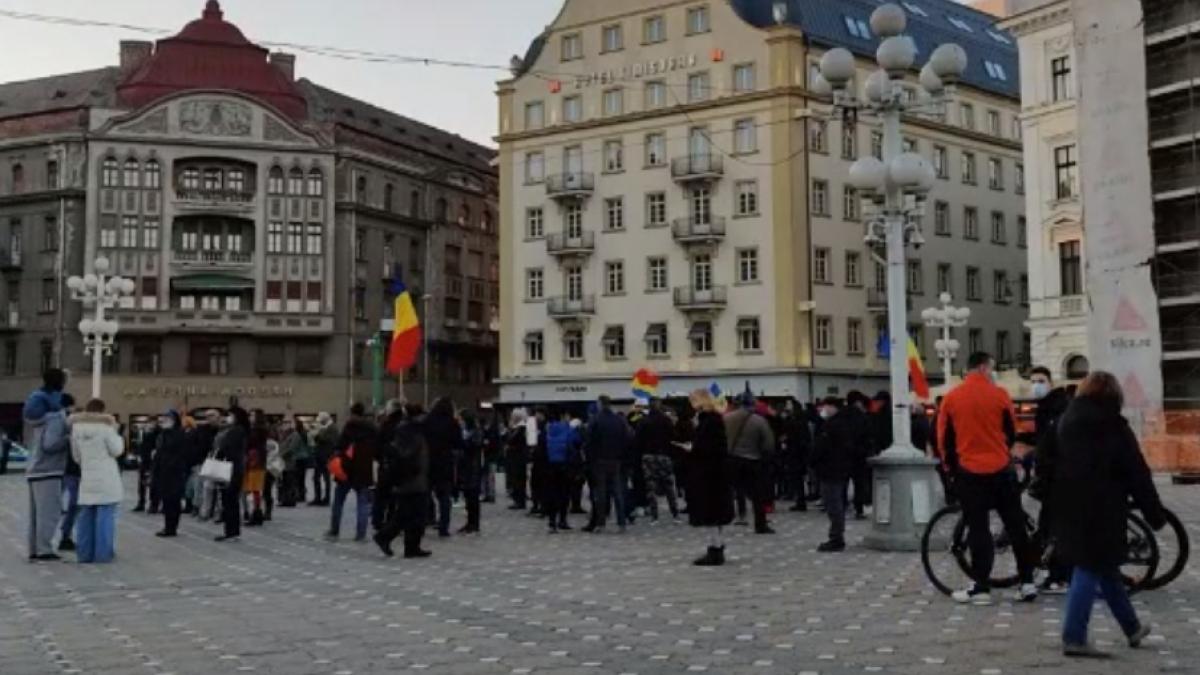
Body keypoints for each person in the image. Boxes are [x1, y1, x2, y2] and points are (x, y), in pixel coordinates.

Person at [1052, 371, 1163, 658]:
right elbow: (1137, 473)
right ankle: (1074, 636)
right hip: (1102, 507)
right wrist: (1154, 513)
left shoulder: (1066, 421)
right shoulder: (1112, 426)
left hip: (1069, 505)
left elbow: (1046, 458)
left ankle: (1132, 628)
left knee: (1106, 569)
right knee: (1089, 567)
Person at [938, 352, 1037, 604]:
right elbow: (1010, 431)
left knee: (978, 529)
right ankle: (1027, 582)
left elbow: (944, 439)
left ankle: (981, 586)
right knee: (1015, 527)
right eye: (991, 368)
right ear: (983, 368)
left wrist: (951, 470)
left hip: (970, 472)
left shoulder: (952, 398)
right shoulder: (1000, 395)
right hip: (1002, 470)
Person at [1025, 366, 1073, 593]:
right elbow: (1042, 440)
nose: (1036, 385)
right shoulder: (1045, 407)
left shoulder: (1059, 406)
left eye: (1041, 380)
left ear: (1051, 382)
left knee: (1055, 527)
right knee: (1049, 526)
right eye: (1033, 381)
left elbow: (1053, 443)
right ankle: (1056, 574)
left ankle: (1060, 577)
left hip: (1060, 476)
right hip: (1052, 475)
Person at [69, 399, 125, 564]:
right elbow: (117, 450)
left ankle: (84, 553)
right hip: (106, 477)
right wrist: (117, 433)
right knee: (105, 516)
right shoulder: (106, 428)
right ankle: (102, 554)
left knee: (86, 516)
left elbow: (76, 457)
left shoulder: (76, 429)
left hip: (87, 477)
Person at [374, 404, 432, 558]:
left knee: (408, 514)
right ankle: (387, 537)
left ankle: (410, 546)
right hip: (412, 479)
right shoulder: (411, 431)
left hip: (410, 479)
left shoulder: (406, 429)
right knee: (412, 515)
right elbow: (408, 454)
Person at [810, 397, 867, 552]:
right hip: (838, 468)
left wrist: (814, 460)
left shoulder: (833, 425)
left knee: (833, 504)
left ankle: (836, 538)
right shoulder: (842, 423)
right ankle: (836, 536)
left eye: (826, 406)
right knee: (834, 503)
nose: (824, 410)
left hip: (831, 469)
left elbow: (823, 447)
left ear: (833, 407)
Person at [24, 369, 70, 561]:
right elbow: (51, 445)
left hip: (35, 469)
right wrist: (68, 438)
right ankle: (45, 550)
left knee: (36, 515)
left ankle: (35, 549)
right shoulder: (56, 417)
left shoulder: (39, 418)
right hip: (49, 470)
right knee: (49, 513)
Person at [686, 389, 733, 566]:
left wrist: (692, 449)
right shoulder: (713, 419)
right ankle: (717, 546)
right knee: (714, 514)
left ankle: (715, 549)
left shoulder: (709, 421)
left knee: (711, 514)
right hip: (715, 473)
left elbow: (707, 448)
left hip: (709, 474)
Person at [723, 393, 776, 535]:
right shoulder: (759, 421)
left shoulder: (726, 418)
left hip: (731, 459)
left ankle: (726, 519)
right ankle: (760, 524)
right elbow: (769, 444)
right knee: (757, 495)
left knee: (731, 490)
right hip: (753, 460)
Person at [327, 403, 377, 542]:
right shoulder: (372, 428)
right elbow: (377, 447)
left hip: (346, 468)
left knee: (338, 501)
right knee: (363, 503)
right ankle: (360, 534)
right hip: (364, 469)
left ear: (352, 413)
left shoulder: (349, 426)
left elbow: (340, 446)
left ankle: (334, 529)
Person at [585, 395, 633, 533]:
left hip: (599, 461)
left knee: (601, 494)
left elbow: (589, 442)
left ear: (600, 404)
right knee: (618, 493)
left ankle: (601, 524)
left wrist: (590, 460)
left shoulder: (595, 420)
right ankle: (621, 523)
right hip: (616, 461)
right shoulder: (619, 420)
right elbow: (628, 439)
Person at [424, 398, 463, 538]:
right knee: (444, 497)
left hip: (428, 462)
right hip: (445, 462)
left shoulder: (427, 421)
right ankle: (443, 527)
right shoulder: (452, 423)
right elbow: (458, 443)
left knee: (426, 494)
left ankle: (426, 520)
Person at [637, 400, 680, 522]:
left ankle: (654, 516)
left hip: (648, 456)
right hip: (664, 456)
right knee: (669, 486)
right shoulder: (666, 420)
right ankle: (675, 513)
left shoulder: (644, 421)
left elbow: (638, 440)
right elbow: (673, 436)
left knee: (651, 487)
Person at [153, 411, 191, 538]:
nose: (164, 420)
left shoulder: (179, 434)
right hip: (163, 471)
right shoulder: (162, 434)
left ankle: (171, 527)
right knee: (166, 500)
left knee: (173, 500)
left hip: (175, 472)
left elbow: (181, 453)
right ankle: (168, 526)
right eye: (163, 418)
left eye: (167, 418)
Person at [215, 407, 249, 542]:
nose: (227, 418)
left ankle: (232, 532)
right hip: (233, 468)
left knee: (230, 501)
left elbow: (228, 449)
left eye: (230, 415)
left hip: (231, 469)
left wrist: (220, 453)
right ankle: (231, 531)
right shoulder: (234, 430)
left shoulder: (237, 431)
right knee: (229, 501)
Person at [544, 410, 580, 532]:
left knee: (552, 493)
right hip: (565, 465)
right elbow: (576, 443)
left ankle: (552, 521)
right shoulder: (569, 429)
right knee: (564, 493)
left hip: (551, 465)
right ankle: (562, 520)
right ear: (565, 416)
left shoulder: (549, 429)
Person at [58, 395, 82, 552]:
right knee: (73, 505)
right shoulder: (66, 431)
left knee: (74, 505)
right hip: (71, 472)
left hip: (69, 471)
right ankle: (65, 536)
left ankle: (66, 536)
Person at [457, 410, 484, 534]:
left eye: (461, 419)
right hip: (466, 468)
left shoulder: (475, 432)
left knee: (473, 497)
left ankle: (474, 523)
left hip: (472, 468)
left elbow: (473, 446)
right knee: (468, 497)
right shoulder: (466, 432)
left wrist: (463, 443)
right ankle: (470, 522)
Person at [782, 405, 812, 512]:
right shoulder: (803, 423)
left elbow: (788, 438)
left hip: (794, 455)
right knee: (800, 479)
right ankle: (801, 500)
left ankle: (800, 501)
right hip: (802, 455)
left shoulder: (793, 424)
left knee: (796, 479)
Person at [310, 412, 337, 506]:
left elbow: (329, 441)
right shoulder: (324, 427)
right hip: (320, 455)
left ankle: (326, 498)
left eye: (321, 420)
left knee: (326, 478)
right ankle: (318, 497)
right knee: (316, 478)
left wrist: (317, 436)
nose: (320, 421)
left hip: (326, 456)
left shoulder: (332, 428)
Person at [505, 409, 530, 510]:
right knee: (516, 479)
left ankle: (519, 501)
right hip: (516, 457)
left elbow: (511, 440)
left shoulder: (521, 428)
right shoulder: (518, 428)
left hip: (518, 458)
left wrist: (509, 431)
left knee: (518, 479)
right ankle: (518, 500)